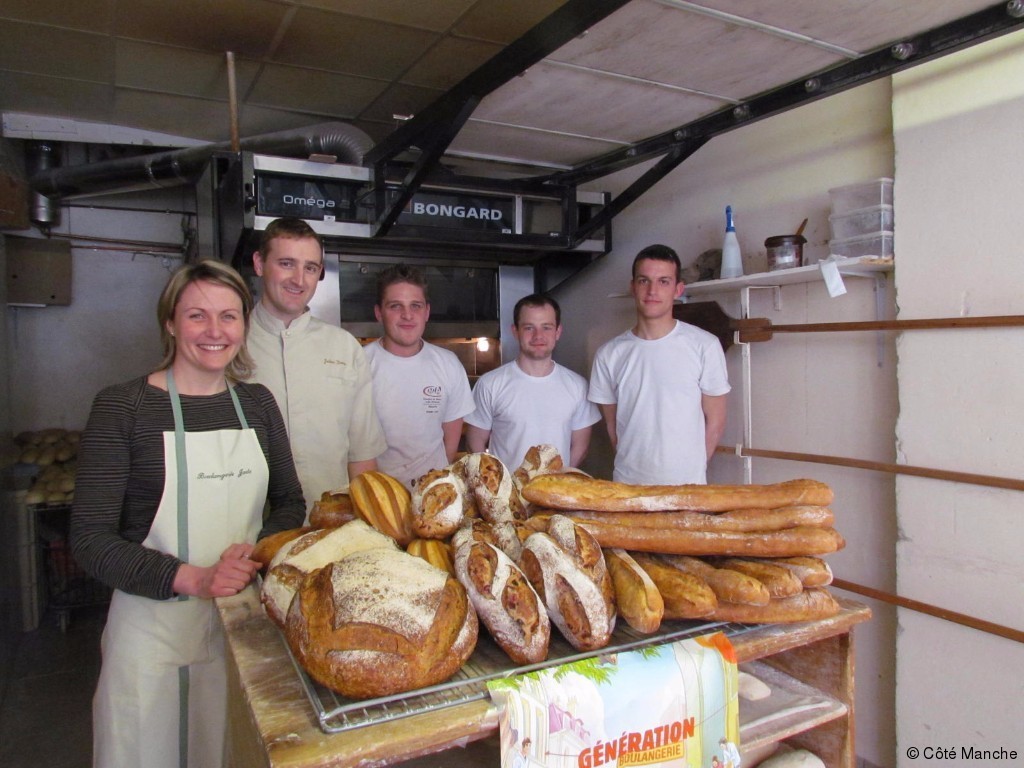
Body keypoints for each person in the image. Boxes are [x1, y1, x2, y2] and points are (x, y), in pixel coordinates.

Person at [70, 260, 305, 768]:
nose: (216, 332)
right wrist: (194, 578)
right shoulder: (123, 408)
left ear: (244, 325)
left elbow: (290, 500)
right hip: (150, 633)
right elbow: (89, 538)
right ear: (171, 323)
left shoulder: (258, 404)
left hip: (243, 625)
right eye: (198, 316)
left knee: (229, 750)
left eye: (229, 316)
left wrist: (260, 547)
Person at [247, 217, 386, 515]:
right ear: (259, 263)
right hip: (245, 534)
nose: (299, 279)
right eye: (286, 263)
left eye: (310, 268)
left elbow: (361, 456)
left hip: (328, 528)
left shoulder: (344, 347)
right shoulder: (228, 344)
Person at [589, 244, 730, 485]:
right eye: (644, 281)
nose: (652, 290)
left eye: (663, 281)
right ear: (633, 287)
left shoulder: (704, 345)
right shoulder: (609, 354)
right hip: (628, 486)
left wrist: (691, 473)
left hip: (687, 488)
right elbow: (613, 427)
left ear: (678, 289)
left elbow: (715, 422)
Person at [363, 264, 474, 487]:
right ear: (378, 313)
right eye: (395, 306)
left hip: (434, 493)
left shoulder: (447, 364)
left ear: (427, 312)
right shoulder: (360, 364)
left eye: (416, 305)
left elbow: (451, 438)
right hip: (379, 494)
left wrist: (433, 483)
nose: (407, 315)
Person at [465, 293, 600, 470]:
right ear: (515, 331)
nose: (538, 335)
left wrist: (558, 479)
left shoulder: (577, 386)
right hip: (508, 495)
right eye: (529, 327)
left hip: (555, 493)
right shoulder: (490, 384)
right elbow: (475, 442)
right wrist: (498, 484)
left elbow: (580, 447)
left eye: (547, 327)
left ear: (558, 332)